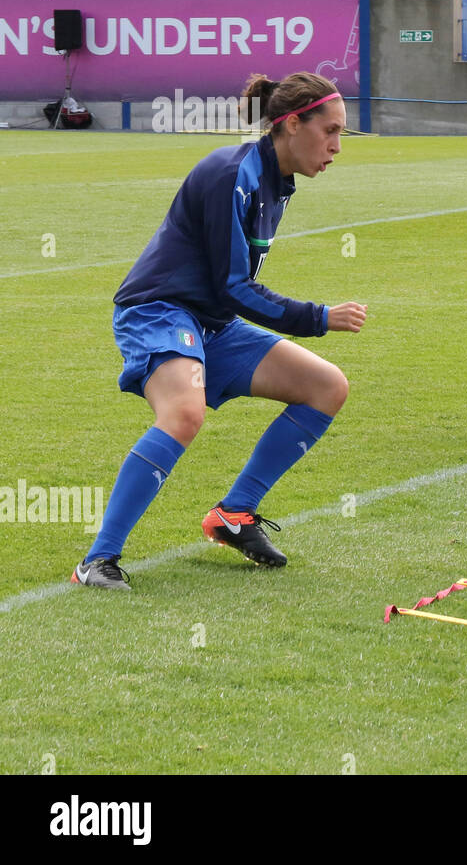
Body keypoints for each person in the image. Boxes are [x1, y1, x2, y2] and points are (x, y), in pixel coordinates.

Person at [70, 74, 365, 591]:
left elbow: (229, 293)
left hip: (210, 323)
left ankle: (235, 515)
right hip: (158, 311)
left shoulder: (276, 180)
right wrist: (317, 317)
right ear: (293, 124)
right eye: (332, 131)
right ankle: (97, 561)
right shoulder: (234, 174)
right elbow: (235, 287)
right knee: (184, 412)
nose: (338, 146)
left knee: (327, 387)